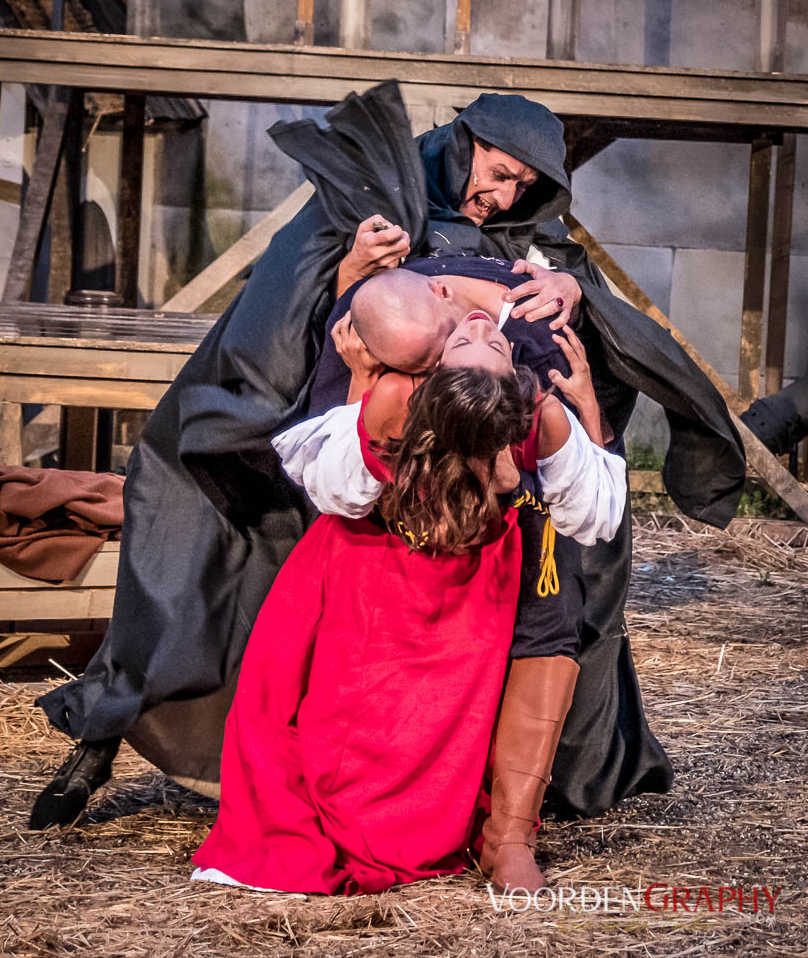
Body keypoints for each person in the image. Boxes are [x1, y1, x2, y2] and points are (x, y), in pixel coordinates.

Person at [31, 81, 745, 830]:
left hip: (484, 466)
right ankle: (103, 737)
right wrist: (349, 276)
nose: (504, 197)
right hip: (352, 442)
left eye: (525, 186)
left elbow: (586, 330)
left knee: (569, 568)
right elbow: (280, 310)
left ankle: (513, 793)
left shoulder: (532, 238)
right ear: (463, 145)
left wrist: (571, 288)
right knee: (192, 523)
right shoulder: (375, 202)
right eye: (498, 173)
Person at [191, 310, 626, 894]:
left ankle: (504, 837)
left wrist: (584, 412)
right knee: (349, 713)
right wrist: (362, 383)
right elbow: (340, 492)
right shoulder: (398, 395)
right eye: (468, 337)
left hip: (473, 577)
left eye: (493, 342)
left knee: (444, 713)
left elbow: (594, 512)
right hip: (374, 557)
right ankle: (352, 815)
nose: (480, 325)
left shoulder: (535, 415)